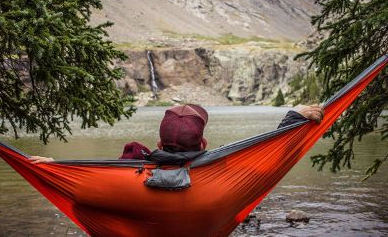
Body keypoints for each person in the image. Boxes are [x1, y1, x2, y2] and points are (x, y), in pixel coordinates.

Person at [29, 104, 324, 164]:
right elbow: (270, 155)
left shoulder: (129, 174)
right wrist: (294, 118)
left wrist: (52, 166)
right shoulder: (221, 170)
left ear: (158, 143)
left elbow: (85, 180)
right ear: (203, 141)